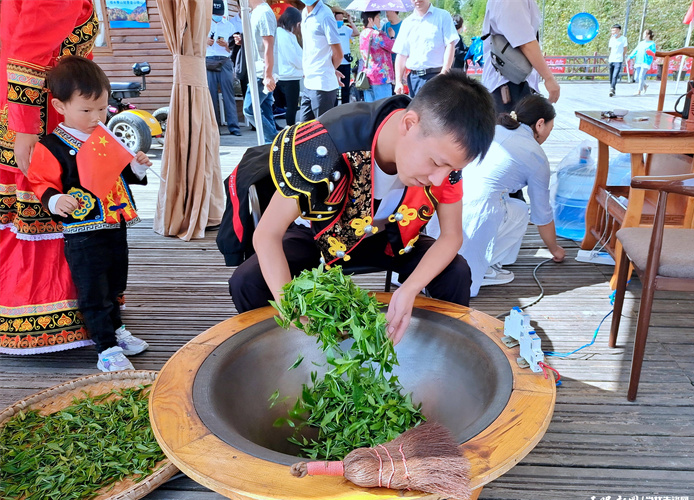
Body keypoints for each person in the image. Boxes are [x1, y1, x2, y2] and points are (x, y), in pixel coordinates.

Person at [220, 72, 497, 344]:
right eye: (436, 163)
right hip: (319, 234)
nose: (439, 179)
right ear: (410, 124)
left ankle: (438, 357)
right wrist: (293, 312)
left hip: (391, 236)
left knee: (456, 272)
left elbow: (451, 236)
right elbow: (267, 234)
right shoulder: (325, 141)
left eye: (452, 168)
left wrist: (410, 289)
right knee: (248, 281)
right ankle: (283, 355)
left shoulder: (444, 160)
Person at [24, 56, 151, 371]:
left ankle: (116, 329)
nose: (96, 117)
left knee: (115, 280)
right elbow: (41, 182)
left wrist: (136, 165)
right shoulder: (51, 146)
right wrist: (55, 201)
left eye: (102, 108)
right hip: (82, 232)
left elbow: (122, 173)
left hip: (114, 223)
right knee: (93, 288)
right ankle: (105, 347)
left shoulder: (104, 137)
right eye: (86, 110)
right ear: (60, 107)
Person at [0, 0, 98, 355]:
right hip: (40, 123)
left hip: (23, 113)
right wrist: (25, 128)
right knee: (45, 208)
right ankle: (48, 318)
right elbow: (29, 50)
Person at [426, 94, 565, 295]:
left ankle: (483, 262)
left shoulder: (494, 129)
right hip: (477, 207)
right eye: (549, 130)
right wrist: (555, 250)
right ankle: (485, 266)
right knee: (519, 211)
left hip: (448, 198)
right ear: (540, 124)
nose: (547, 136)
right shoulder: (536, 155)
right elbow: (542, 215)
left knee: (515, 206)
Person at [481, 0, 560, 113]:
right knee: (515, 128)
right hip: (509, 85)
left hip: (511, 81)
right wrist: (549, 78)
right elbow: (525, 42)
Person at [392, 0, 458, 97]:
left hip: (437, 76)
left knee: (436, 111)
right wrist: (398, 81)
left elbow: (450, 44)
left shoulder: (443, 16)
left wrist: (444, 72)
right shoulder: (407, 23)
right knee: (416, 111)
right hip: (414, 79)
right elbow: (401, 54)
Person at [298, 0, 343, 121]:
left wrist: (329, 69)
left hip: (322, 85)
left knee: (323, 131)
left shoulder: (325, 16)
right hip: (308, 82)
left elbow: (338, 54)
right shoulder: (305, 12)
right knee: (303, 131)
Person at [243, 0, 279, 143]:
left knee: (249, 109)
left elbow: (268, 45)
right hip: (259, 70)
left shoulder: (263, 12)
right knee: (265, 109)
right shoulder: (255, 12)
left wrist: (268, 75)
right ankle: (272, 147)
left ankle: (275, 140)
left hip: (261, 72)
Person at [207, 5, 243, 136]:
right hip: (208, 60)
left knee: (229, 94)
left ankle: (234, 127)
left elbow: (233, 50)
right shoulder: (204, 24)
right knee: (211, 96)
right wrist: (205, 42)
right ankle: (214, 128)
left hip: (225, 60)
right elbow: (194, 45)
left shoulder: (229, 26)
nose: (218, 16)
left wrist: (227, 45)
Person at [275, 7, 304, 126]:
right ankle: (290, 128)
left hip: (289, 74)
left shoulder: (286, 34)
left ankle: (289, 127)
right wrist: (304, 66)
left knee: (291, 106)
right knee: (291, 106)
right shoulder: (282, 34)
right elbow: (292, 57)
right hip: (288, 75)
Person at [359, 11, 395, 102]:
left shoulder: (363, 34)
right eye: (378, 17)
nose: (379, 20)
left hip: (367, 76)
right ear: (370, 19)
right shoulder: (377, 34)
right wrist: (392, 37)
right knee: (383, 107)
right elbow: (393, 47)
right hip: (381, 76)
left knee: (370, 108)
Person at [333, 8, 360, 105]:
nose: (339, 21)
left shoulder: (346, 29)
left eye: (341, 19)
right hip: (335, 63)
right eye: (338, 19)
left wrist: (350, 21)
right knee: (334, 87)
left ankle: (344, 107)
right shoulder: (332, 29)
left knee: (345, 87)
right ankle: (334, 107)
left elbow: (357, 33)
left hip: (346, 62)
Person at [628, 29, 656, 96]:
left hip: (646, 61)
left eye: (644, 34)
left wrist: (650, 52)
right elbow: (636, 50)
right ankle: (645, 85)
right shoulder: (641, 43)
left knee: (641, 76)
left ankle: (639, 91)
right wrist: (630, 56)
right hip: (638, 61)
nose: (643, 35)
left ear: (648, 35)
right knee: (637, 78)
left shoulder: (652, 44)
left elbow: (653, 53)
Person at [608, 24, 628, 97]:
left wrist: (622, 56)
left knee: (615, 75)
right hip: (611, 59)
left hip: (618, 59)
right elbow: (610, 48)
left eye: (615, 30)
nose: (613, 32)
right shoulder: (612, 39)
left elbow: (625, 48)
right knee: (611, 75)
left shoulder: (623, 39)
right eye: (612, 30)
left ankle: (612, 88)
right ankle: (612, 88)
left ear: (619, 30)